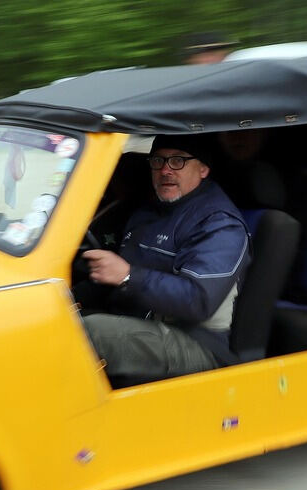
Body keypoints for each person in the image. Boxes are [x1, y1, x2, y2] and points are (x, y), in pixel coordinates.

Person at [76, 135, 251, 386]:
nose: (166, 170)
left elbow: (198, 300)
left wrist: (128, 275)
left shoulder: (220, 225)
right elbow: (114, 275)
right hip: (142, 323)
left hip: (198, 343)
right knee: (56, 322)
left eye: (178, 161)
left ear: (203, 169)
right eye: (158, 160)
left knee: (89, 334)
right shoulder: (150, 210)